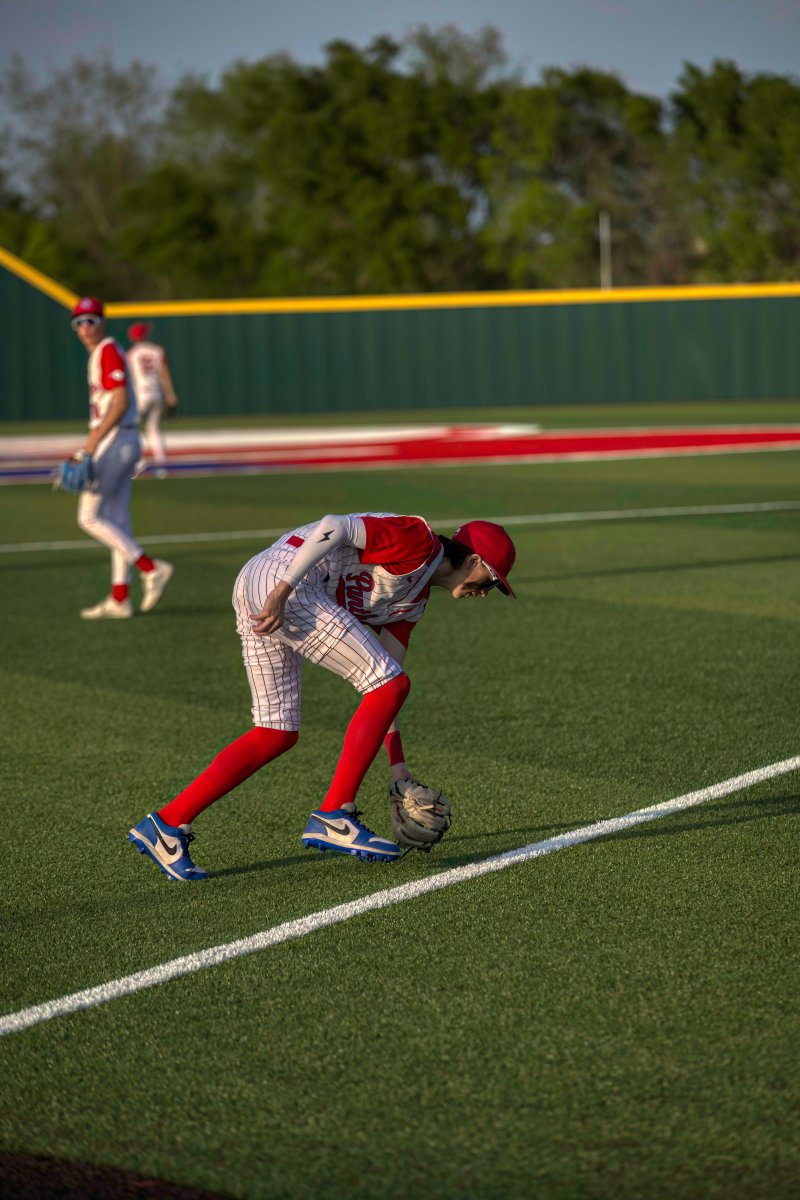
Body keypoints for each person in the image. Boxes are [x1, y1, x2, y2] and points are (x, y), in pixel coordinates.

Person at [128, 512, 516, 880]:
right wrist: (283, 590)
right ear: (473, 560)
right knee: (388, 684)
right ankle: (335, 814)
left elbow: (387, 695)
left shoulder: (412, 602)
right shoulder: (418, 540)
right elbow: (336, 526)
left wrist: (399, 769)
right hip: (286, 582)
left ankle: (166, 824)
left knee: (276, 732)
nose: (486, 593)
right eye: (491, 580)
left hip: (266, 585)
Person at [69, 297, 174, 619]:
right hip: (124, 438)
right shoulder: (104, 352)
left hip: (115, 439)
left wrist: (89, 446)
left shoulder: (108, 350)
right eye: (79, 322)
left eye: (91, 320)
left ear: (102, 322)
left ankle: (150, 567)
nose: (85, 327)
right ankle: (120, 598)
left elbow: (119, 402)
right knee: (117, 520)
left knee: (89, 517)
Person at [126, 321, 179, 478]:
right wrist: (170, 395)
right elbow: (164, 374)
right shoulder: (157, 350)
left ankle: (137, 461)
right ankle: (161, 464)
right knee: (154, 429)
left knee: (129, 427)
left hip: (141, 394)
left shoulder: (131, 354)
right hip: (157, 393)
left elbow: (129, 378)